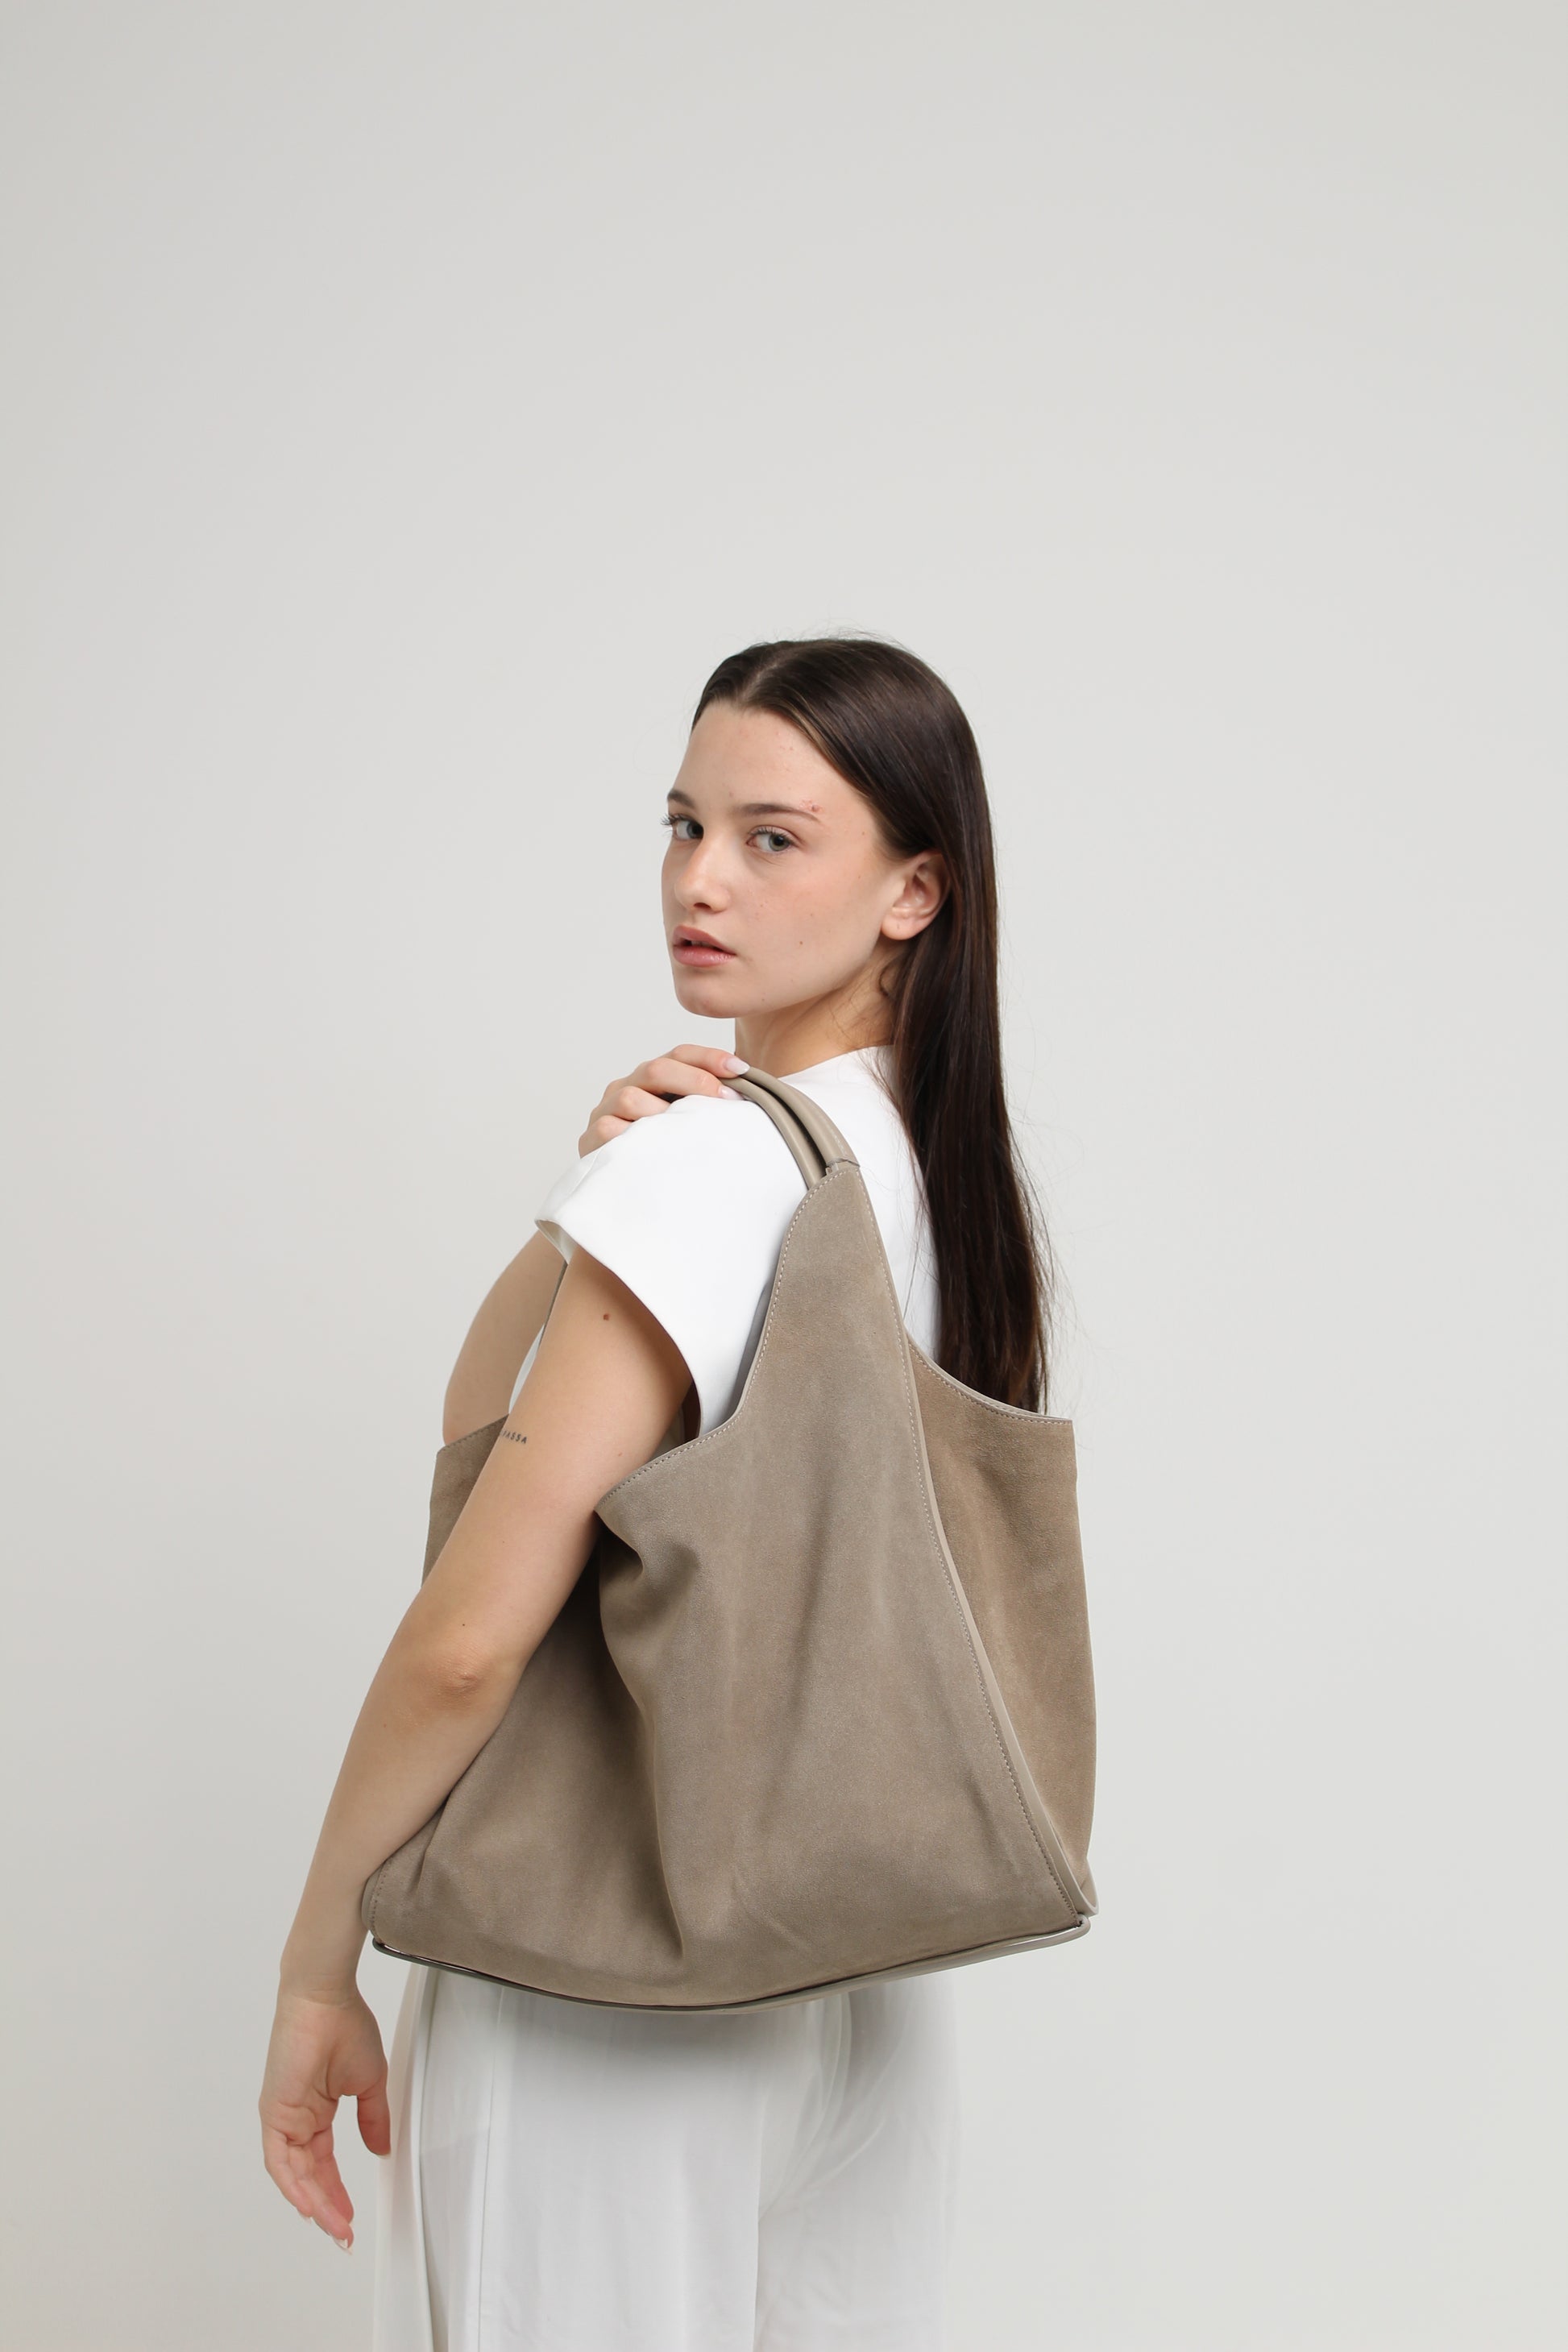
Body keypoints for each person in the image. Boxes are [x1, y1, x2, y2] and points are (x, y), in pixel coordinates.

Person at [259, 635, 1056, 2351]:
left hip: (609, 2002)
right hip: (854, 1991)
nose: (701, 879)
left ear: (914, 890)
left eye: (773, 837)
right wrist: (594, 1196)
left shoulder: (719, 1165)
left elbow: (470, 1630)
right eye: (683, 824)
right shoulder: (927, 1176)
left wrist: (319, 1961)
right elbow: (500, 1426)